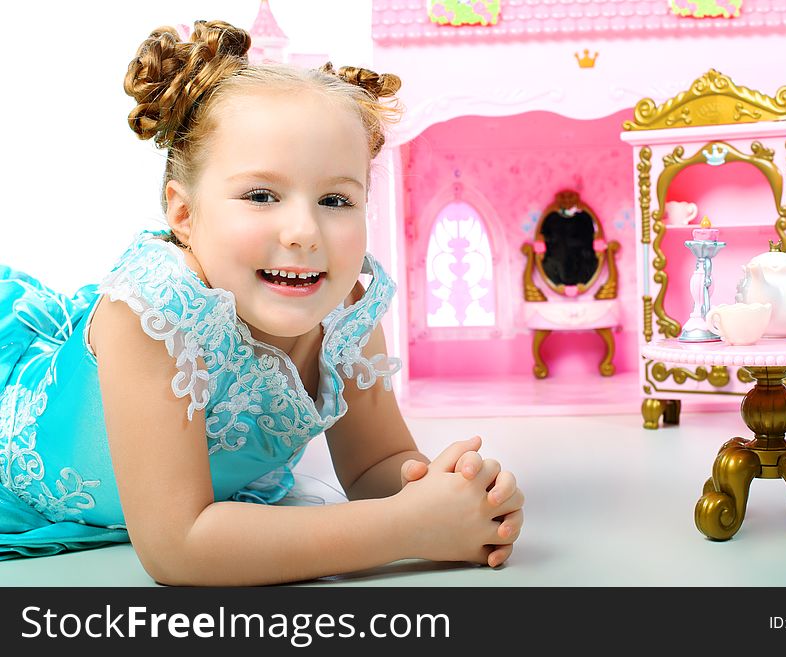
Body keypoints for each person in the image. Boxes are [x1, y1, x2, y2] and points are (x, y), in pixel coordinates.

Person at [0, 20, 524, 585]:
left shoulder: (344, 305)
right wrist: (402, 528)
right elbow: (179, 547)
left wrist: (451, 493)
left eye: (335, 199)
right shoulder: (152, 316)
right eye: (260, 195)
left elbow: (375, 465)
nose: (303, 230)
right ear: (183, 215)